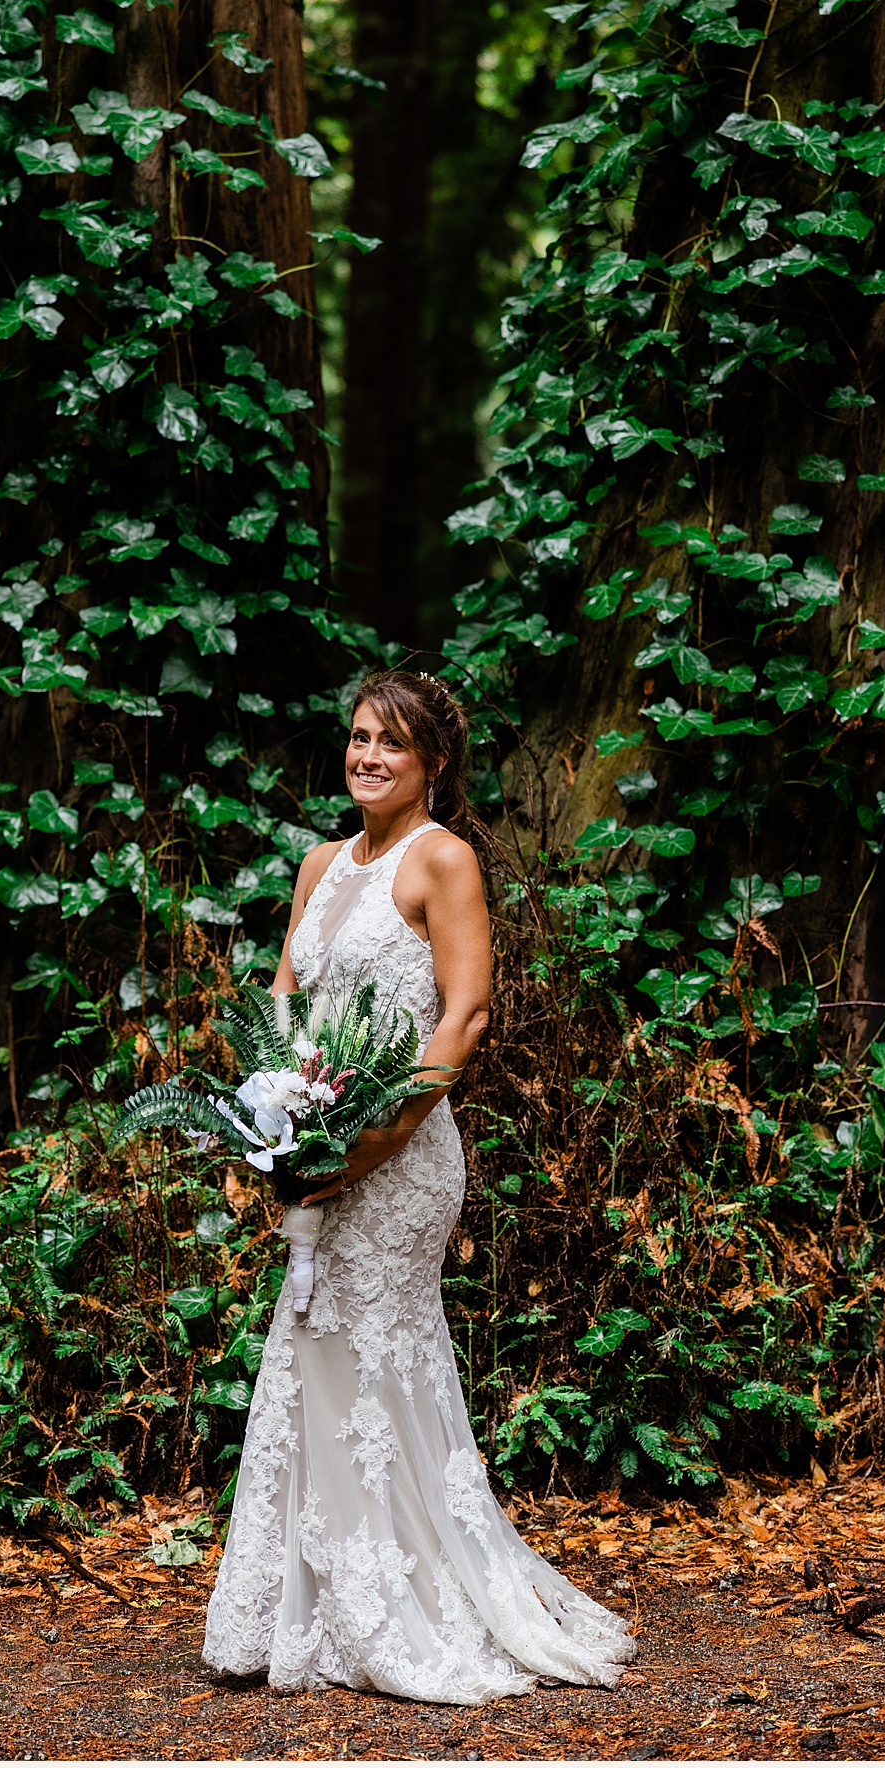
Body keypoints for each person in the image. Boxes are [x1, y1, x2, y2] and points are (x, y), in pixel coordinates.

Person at [201, 669, 636, 1702]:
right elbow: (285, 1005)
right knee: (309, 1355)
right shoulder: (317, 864)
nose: (366, 757)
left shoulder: (441, 859)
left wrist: (378, 1133)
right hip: (322, 1147)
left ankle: (396, 1610)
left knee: (371, 1356)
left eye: (390, 744)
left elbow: (465, 1015)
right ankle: (293, 1608)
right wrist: (274, 1116)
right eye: (356, 737)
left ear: (431, 762)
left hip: (400, 1159)